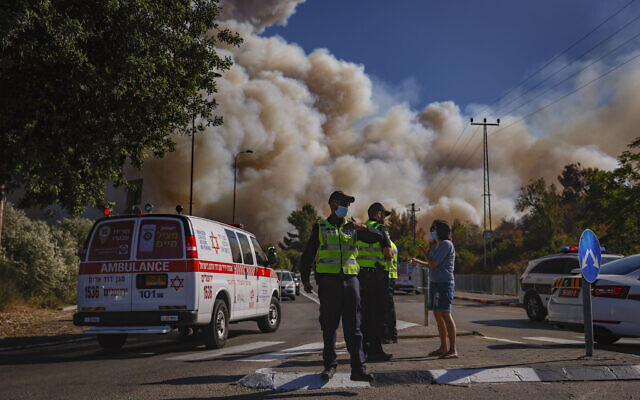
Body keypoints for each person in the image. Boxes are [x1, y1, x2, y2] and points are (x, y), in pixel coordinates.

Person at [300, 191, 390, 382]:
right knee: (329, 326)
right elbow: (308, 254)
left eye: (348, 205)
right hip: (328, 283)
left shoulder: (353, 227)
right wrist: (305, 279)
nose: (346, 208)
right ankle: (329, 366)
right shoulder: (320, 227)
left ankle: (358, 369)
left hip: (351, 282)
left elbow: (380, 235)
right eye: (343, 204)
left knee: (354, 329)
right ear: (332, 204)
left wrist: (362, 227)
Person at [409, 219, 458, 359]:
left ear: (440, 231)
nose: (432, 232)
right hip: (436, 283)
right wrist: (417, 260)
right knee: (438, 315)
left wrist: (423, 251)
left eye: (434, 229)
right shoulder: (438, 245)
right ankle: (443, 348)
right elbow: (430, 264)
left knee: (446, 315)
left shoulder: (445, 244)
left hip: (444, 284)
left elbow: (434, 263)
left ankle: (453, 349)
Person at [357, 202, 393, 360]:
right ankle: (376, 351)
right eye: (384, 215)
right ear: (378, 214)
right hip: (377, 278)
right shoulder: (381, 230)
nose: (385, 218)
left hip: (360, 276)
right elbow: (388, 254)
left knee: (364, 315)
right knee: (378, 315)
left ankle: (363, 349)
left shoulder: (360, 229)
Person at [383, 239, 398, 344]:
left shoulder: (386, 243)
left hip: (386, 276)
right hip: (391, 277)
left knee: (387, 308)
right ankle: (391, 334)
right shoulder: (392, 243)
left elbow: (388, 257)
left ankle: (390, 334)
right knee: (389, 308)